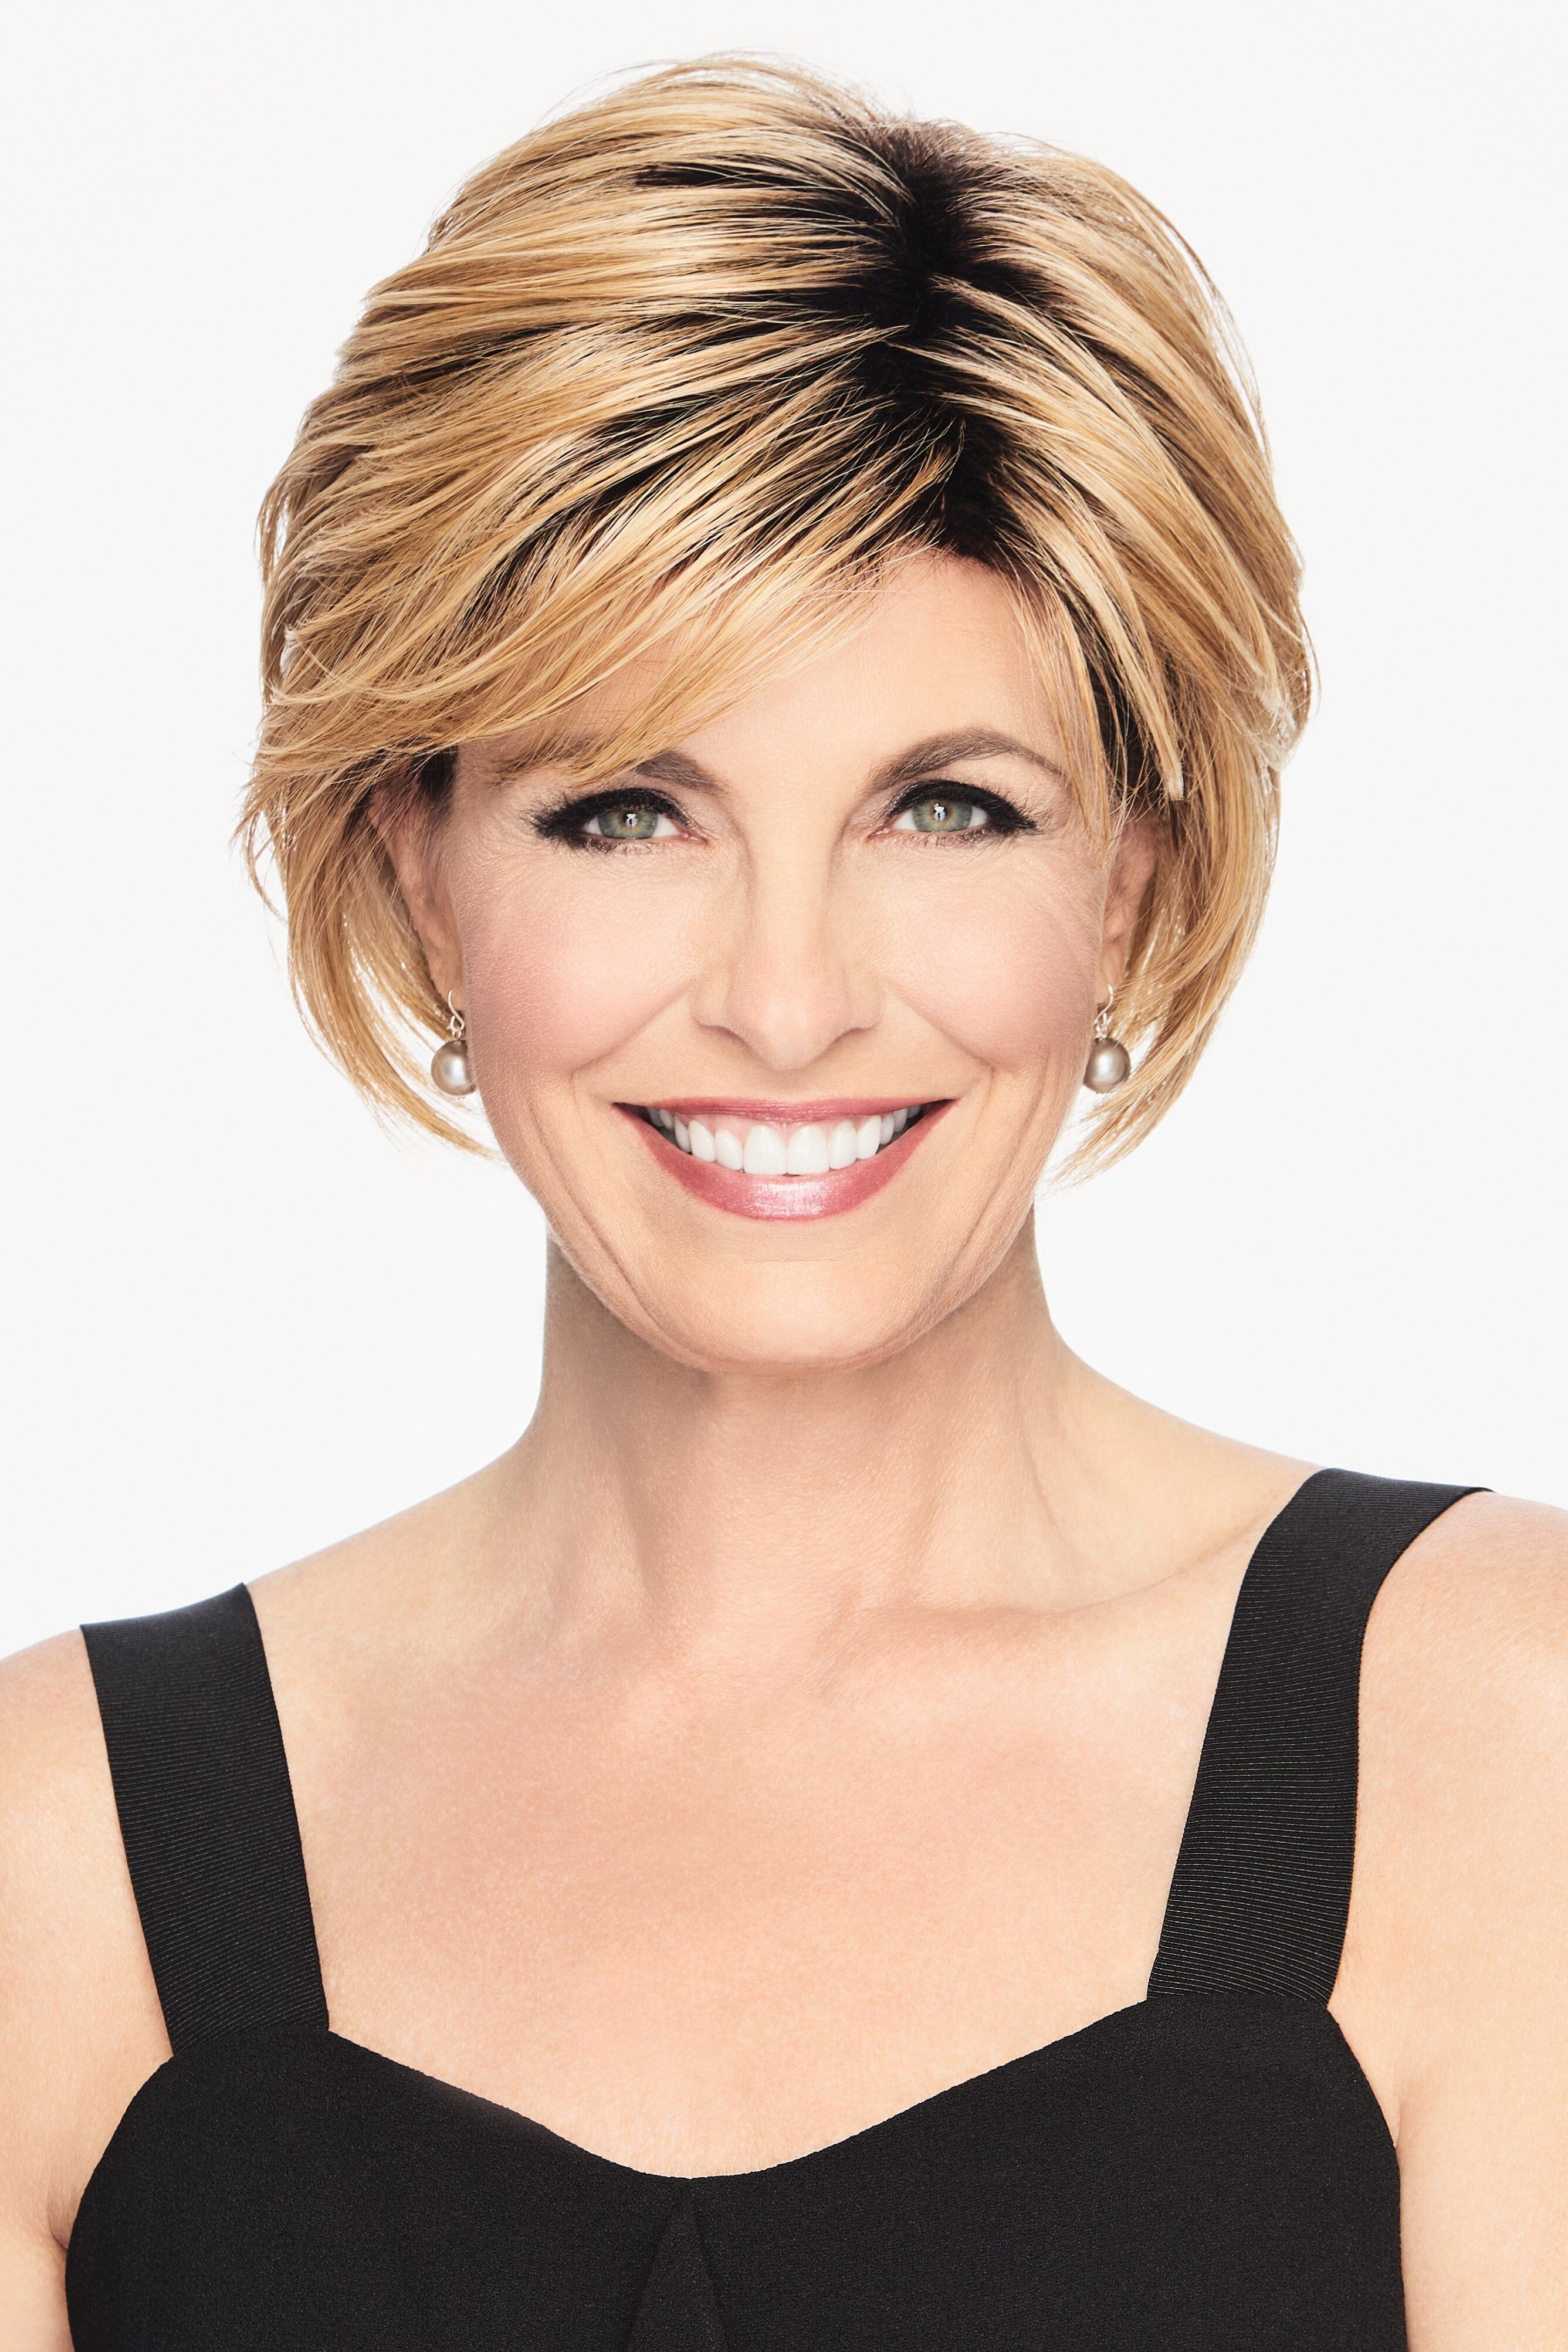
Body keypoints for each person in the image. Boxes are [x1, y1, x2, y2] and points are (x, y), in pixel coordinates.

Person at [2, 56, 1563, 2352]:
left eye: (948, 807)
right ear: (418, 866)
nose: (790, 999)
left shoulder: (1501, 1745)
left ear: (1133, 882)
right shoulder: (52, 1866)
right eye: (627, 810)